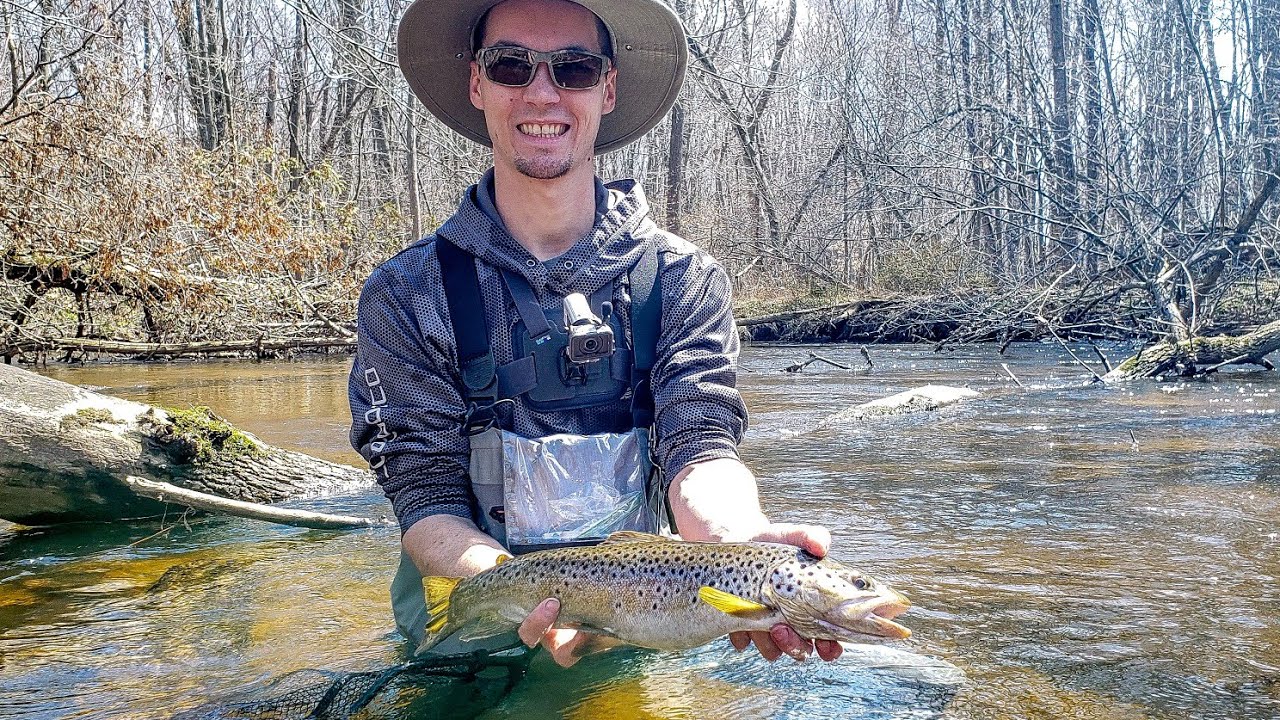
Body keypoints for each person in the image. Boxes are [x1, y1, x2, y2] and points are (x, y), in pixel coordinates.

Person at [348, 0, 843, 667]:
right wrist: (514, 594)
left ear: (608, 87)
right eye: (511, 65)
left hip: (643, 621)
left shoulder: (684, 279)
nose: (542, 92)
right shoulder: (406, 294)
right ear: (477, 84)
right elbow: (425, 495)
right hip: (464, 622)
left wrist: (743, 549)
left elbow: (700, 448)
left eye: (574, 68)